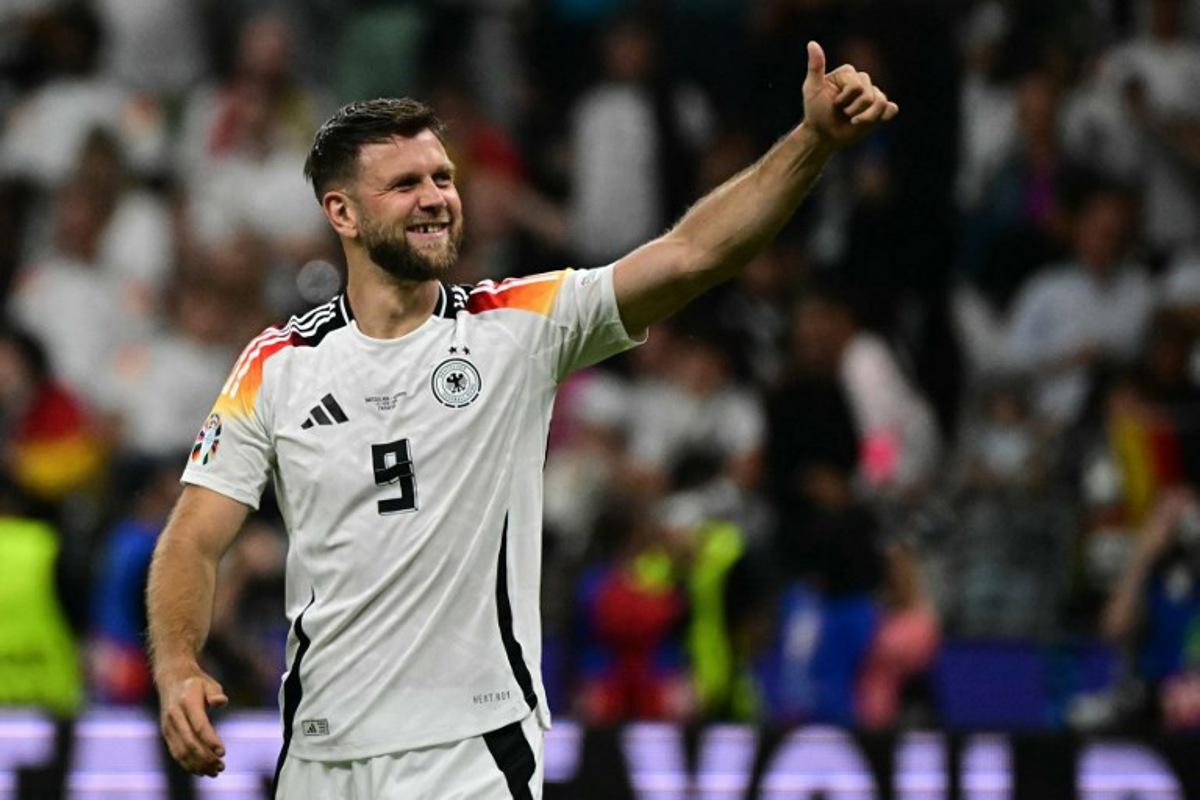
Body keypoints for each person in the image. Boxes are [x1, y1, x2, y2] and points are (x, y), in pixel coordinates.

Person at [146, 41, 898, 797]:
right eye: (405, 184)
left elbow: (692, 253)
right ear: (341, 212)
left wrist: (811, 144)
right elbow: (194, 535)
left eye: (443, 177)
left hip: (468, 751)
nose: (437, 196)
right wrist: (178, 665)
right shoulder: (276, 365)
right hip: (318, 755)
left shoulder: (516, 326)